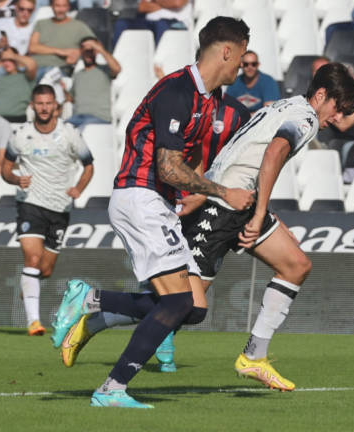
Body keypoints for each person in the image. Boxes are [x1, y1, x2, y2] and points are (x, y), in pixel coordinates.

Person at [49, 16, 254, 409]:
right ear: (226, 51)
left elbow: (184, 164)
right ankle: (112, 388)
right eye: (241, 56)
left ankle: (92, 300)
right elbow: (168, 167)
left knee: (191, 309)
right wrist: (222, 192)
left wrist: (185, 197)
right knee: (176, 304)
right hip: (138, 195)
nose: (241, 66)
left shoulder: (207, 99)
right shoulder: (178, 91)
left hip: (155, 200)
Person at [177, 62, 354, 390]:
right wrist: (261, 214)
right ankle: (97, 304)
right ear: (320, 95)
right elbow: (273, 153)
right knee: (180, 308)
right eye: (338, 108)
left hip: (239, 203)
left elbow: (253, 155)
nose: (338, 118)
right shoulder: (305, 119)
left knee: (296, 265)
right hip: (223, 207)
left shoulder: (283, 106)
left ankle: (254, 356)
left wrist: (267, 215)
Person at [58, 93, 251, 372]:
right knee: (180, 302)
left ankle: (95, 314)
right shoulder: (182, 101)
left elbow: (236, 164)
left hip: (213, 207)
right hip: (171, 205)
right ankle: (118, 378)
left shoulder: (237, 114)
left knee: (189, 307)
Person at [0, 84, 93, 336]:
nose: (43, 108)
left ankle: (28, 283)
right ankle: (33, 321)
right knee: (31, 259)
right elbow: (5, 169)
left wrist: (79, 189)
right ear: (33, 105)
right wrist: (15, 179)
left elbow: (88, 166)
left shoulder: (70, 134)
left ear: (56, 106)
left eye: (48, 103)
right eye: (39, 103)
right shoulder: (20, 134)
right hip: (30, 203)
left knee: (45, 270)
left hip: (60, 208)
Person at [64, 36, 121, 129]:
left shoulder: (104, 70)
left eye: (91, 50)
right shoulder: (78, 75)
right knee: (61, 129)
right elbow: (70, 98)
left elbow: (117, 69)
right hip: (77, 118)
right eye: (85, 51)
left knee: (83, 129)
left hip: (99, 118)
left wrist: (98, 48)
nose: (88, 54)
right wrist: (62, 90)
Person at [28, 0, 94, 77]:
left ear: (68, 7)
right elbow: (32, 48)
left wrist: (79, 53)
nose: (61, 10)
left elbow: (94, 46)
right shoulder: (41, 23)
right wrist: (60, 51)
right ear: (51, 7)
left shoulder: (79, 26)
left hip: (57, 69)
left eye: (64, 6)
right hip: (33, 67)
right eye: (57, 6)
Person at [0, 47, 37, 122]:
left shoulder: (26, 77)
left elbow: (32, 65)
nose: (6, 63)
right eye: (4, 60)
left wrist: (13, 56)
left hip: (15, 120)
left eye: (10, 60)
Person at [112, 0, 192, 47]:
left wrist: (154, 2)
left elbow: (177, 3)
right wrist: (165, 3)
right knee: (122, 23)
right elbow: (142, 7)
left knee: (161, 25)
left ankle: (158, 64)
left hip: (176, 23)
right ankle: (118, 63)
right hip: (149, 22)